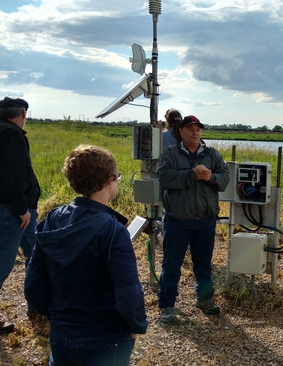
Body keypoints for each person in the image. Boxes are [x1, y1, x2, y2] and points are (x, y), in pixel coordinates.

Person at [24, 145, 148, 365]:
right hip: (105, 337)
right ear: (109, 179)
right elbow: (128, 291)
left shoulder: (52, 220)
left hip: (61, 336)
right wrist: (136, 326)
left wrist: (57, 316)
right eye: (117, 176)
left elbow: (33, 284)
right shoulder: (113, 230)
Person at [156, 115, 230, 324]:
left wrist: (209, 177)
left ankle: (204, 300)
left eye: (198, 129)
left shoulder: (212, 154)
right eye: (190, 129)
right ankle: (167, 306)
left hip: (205, 221)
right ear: (181, 132)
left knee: (204, 264)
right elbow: (165, 177)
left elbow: (224, 179)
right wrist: (192, 174)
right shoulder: (169, 154)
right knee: (171, 265)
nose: (195, 133)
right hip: (177, 221)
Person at [0, 96, 40, 335]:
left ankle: (37, 306)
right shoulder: (12, 134)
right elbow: (10, 177)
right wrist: (22, 210)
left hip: (15, 209)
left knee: (35, 256)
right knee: (3, 264)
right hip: (12, 211)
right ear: (22, 114)